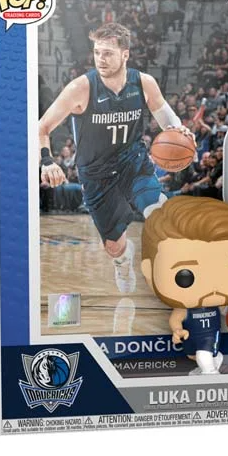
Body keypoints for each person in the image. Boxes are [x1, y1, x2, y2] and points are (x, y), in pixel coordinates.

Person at [37, 22, 194, 294]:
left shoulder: (144, 83)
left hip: (133, 163)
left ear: (125, 54)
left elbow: (167, 117)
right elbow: (42, 127)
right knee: (114, 246)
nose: (101, 59)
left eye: (108, 53)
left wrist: (179, 130)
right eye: (97, 52)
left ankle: (175, 269)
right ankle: (123, 259)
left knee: (157, 211)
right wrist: (47, 161)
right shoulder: (80, 88)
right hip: (96, 174)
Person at [140, 196, 228, 375]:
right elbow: (175, 319)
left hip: (210, 335)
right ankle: (210, 366)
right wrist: (177, 330)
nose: (214, 287)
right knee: (198, 355)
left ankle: (211, 375)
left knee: (204, 354)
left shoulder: (218, 303)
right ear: (149, 271)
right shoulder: (184, 309)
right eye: (185, 277)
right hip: (191, 336)